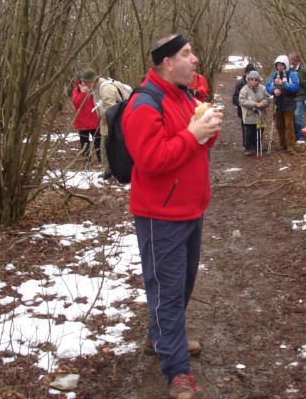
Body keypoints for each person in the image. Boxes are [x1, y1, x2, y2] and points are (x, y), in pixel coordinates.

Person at [122, 34, 222, 399]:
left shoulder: (185, 96)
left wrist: (205, 128)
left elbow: (197, 146)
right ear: (167, 62)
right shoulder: (144, 104)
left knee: (180, 286)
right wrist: (193, 134)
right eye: (186, 54)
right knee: (166, 290)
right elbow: (152, 160)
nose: (194, 59)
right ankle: (177, 371)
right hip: (159, 215)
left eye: (192, 52)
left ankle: (162, 338)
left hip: (190, 209)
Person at [92, 74, 132, 180]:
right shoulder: (98, 88)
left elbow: (109, 111)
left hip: (113, 123)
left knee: (107, 147)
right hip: (111, 123)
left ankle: (111, 171)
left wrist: (100, 110)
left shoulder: (106, 89)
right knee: (109, 147)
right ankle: (111, 170)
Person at [265, 55, 299, 152]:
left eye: (281, 65)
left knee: (289, 125)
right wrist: (274, 90)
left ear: (286, 65)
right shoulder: (274, 75)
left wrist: (283, 85)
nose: (280, 67)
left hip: (289, 102)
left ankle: (290, 145)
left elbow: (295, 87)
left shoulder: (292, 74)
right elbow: (268, 86)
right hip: (278, 103)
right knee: (279, 124)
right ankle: (282, 143)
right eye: (278, 65)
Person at [71, 70, 100, 166]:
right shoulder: (77, 90)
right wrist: (83, 93)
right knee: (84, 143)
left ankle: (101, 160)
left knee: (98, 142)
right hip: (82, 123)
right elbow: (76, 103)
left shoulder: (94, 89)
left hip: (95, 121)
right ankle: (87, 161)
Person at [238, 71, 270, 156]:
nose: (253, 82)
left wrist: (262, 104)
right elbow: (242, 101)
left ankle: (258, 146)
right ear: (248, 80)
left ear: (258, 80)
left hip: (260, 114)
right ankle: (249, 148)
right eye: (251, 80)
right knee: (249, 131)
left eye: (255, 80)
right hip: (249, 114)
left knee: (260, 130)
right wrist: (254, 104)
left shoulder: (262, 88)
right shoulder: (244, 89)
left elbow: (267, 99)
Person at [288, 53, 306, 142]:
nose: (289, 61)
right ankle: (297, 135)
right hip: (293, 97)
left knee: (298, 115)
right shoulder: (291, 70)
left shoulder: (303, 70)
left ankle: (302, 136)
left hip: (301, 97)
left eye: (290, 59)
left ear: (295, 60)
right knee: (293, 116)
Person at [233, 63, 256, 150]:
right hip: (243, 111)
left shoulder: (257, 83)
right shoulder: (240, 83)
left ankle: (254, 144)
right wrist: (243, 104)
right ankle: (247, 145)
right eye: (249, 72)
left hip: (254, 109)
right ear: (245, 73)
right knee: (246, 128)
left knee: (255, 127)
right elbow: (235, 98)